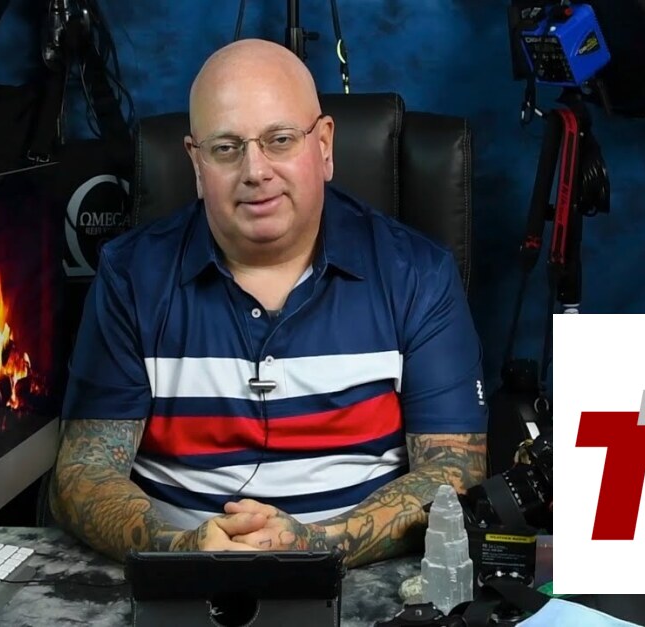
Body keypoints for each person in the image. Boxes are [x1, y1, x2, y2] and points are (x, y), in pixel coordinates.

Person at [50, 38, 488, 568]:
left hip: (358, 582)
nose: (255, 171)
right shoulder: (129, 277)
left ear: (324, 146)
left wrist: (316, 545)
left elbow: (454, 472)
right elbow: (81, 476)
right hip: (176, 577)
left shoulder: (418, 274)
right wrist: (179, 550)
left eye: (280, 140)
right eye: (226, 148)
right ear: (196, 163)